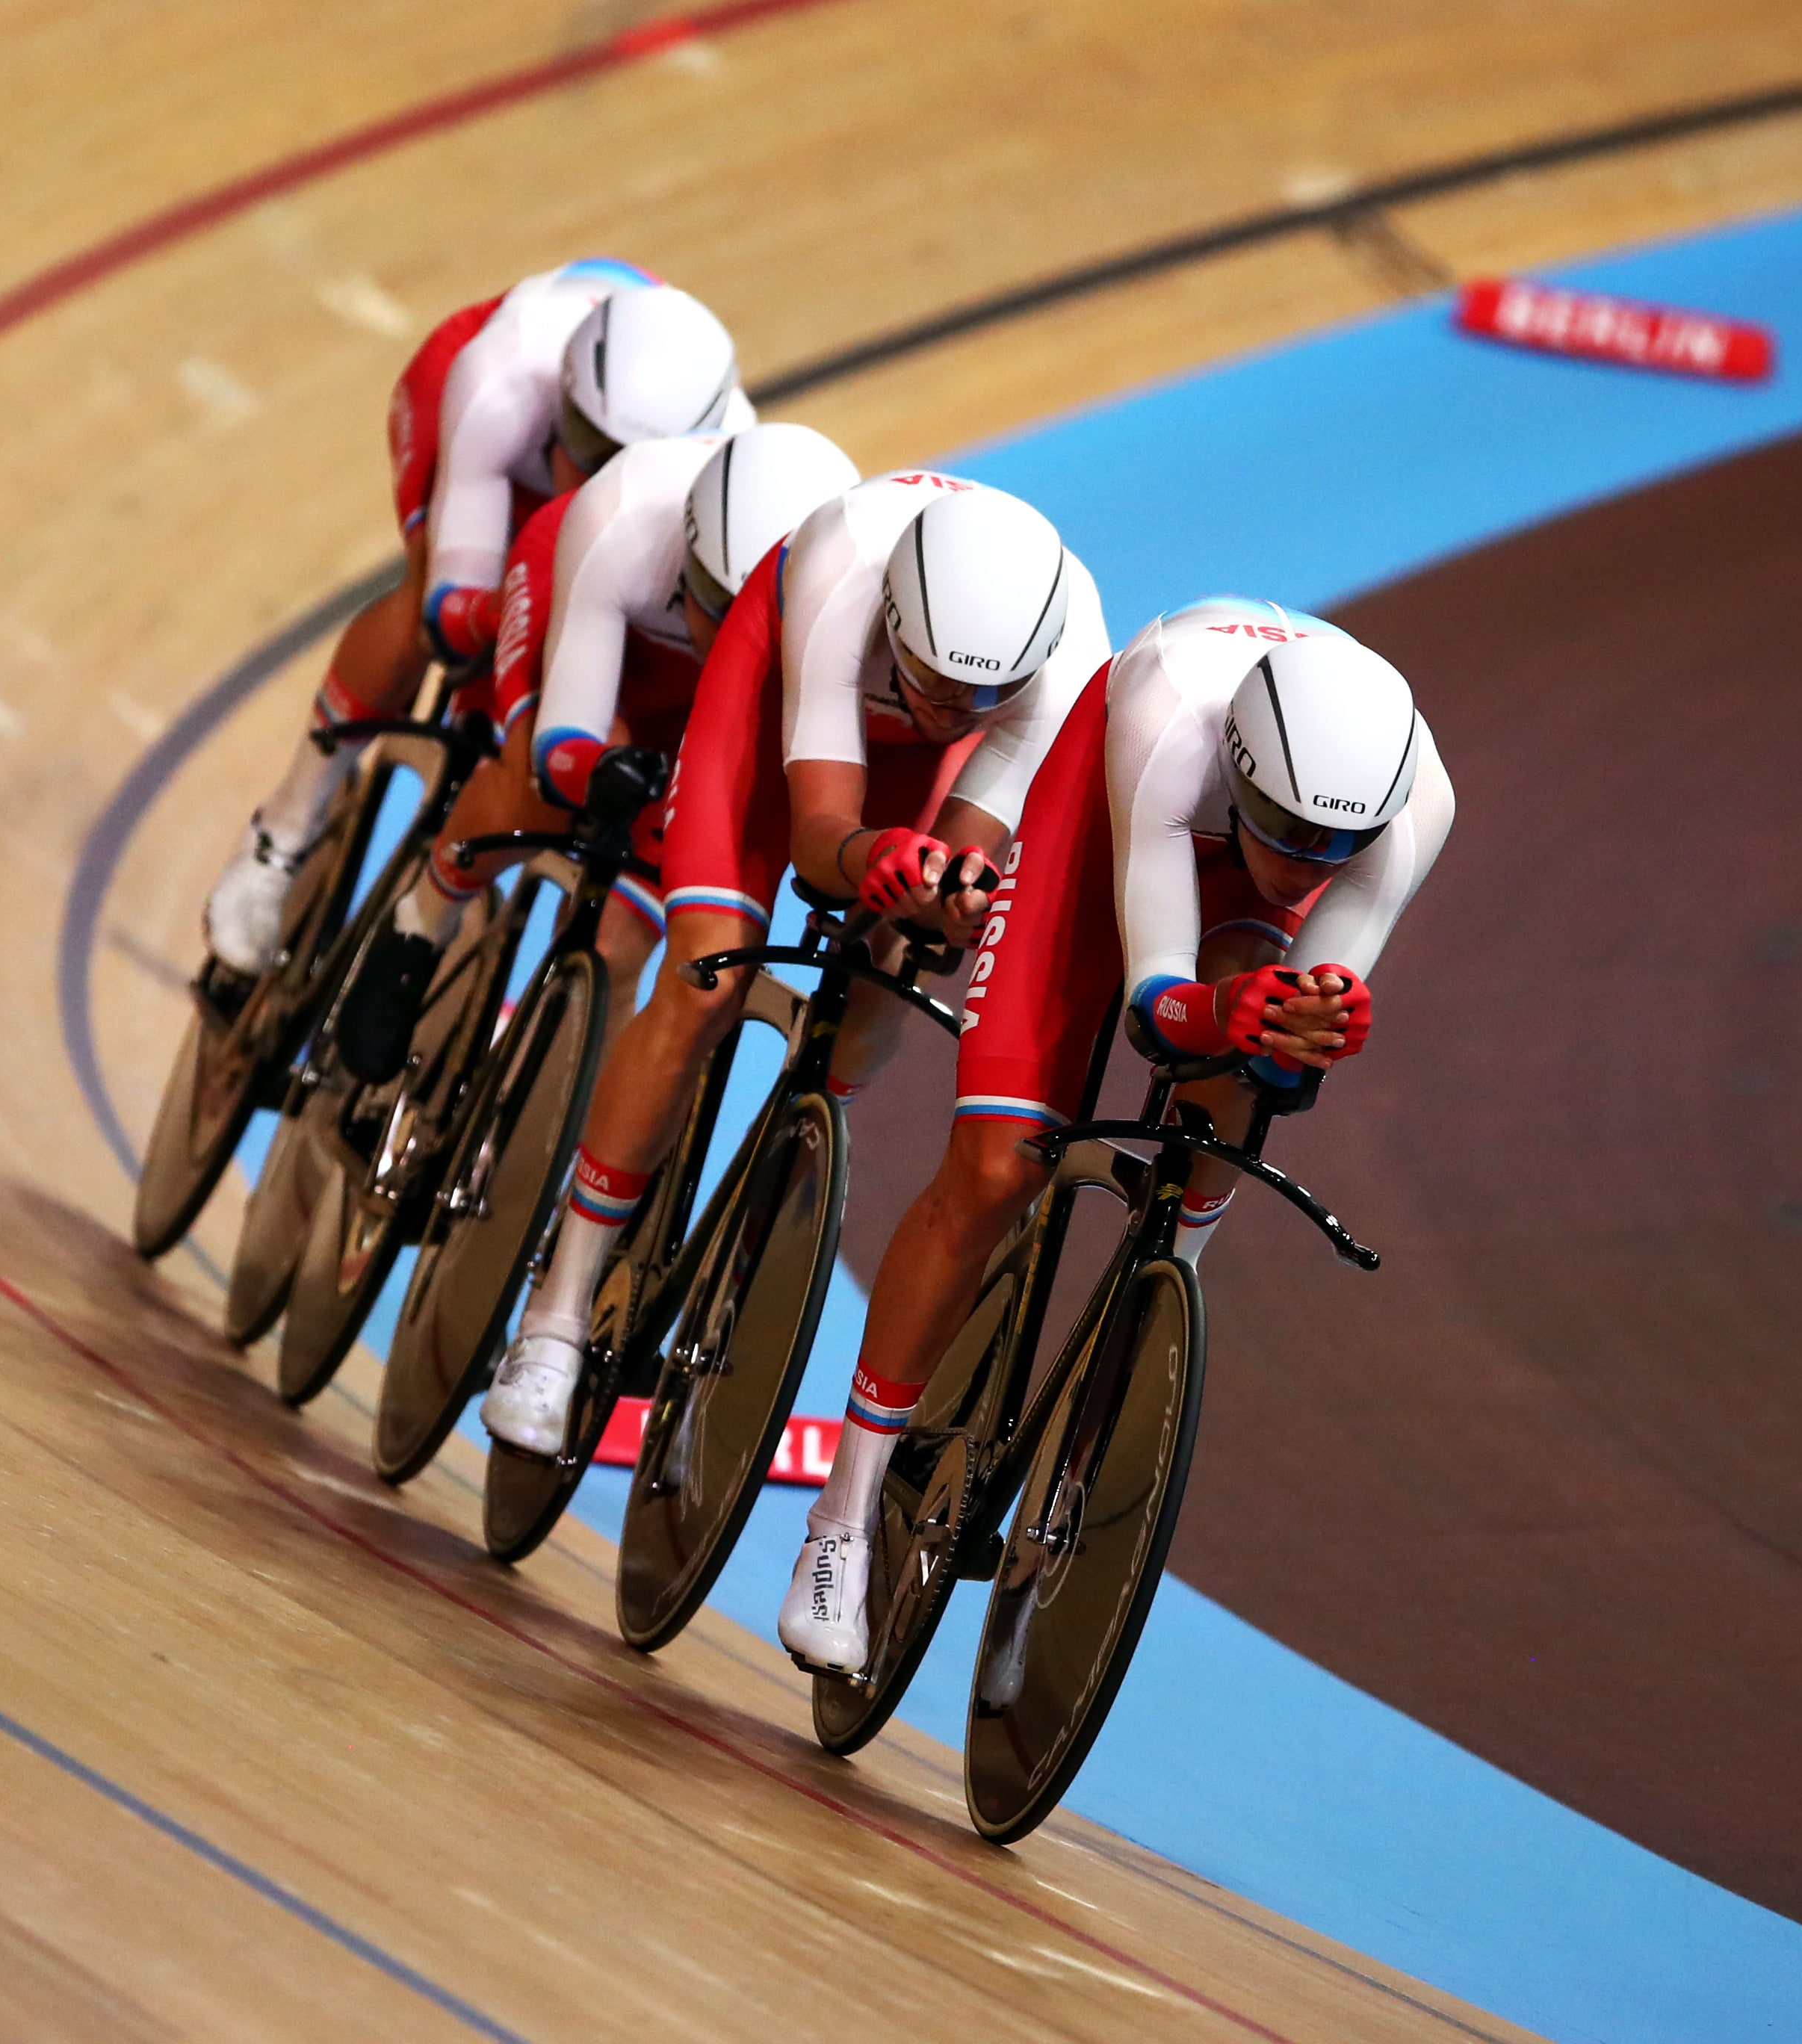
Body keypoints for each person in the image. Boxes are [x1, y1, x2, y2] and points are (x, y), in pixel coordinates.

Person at [778, 597, 1455, 1671]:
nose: (1307, 858)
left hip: (1229, 874)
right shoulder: (1169, 719)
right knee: (997, 1166)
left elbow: (1293, 1021)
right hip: (1103, 836)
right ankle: (841, 1521)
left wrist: (1301, 1030)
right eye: (1289, 830)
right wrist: (1225, 1014)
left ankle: (1159, 1287)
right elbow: (1155, 1002)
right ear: (1243, 770)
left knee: (1254, 1061)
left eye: (1337, 845)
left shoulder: (1414, 804)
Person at [480, 473, 1113, 1455]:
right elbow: (821, 837)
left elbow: (958, 850)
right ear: (895, 616)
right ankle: (554, 1320)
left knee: (902, 949)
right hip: (778, 693)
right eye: (939, 679)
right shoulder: (840, 570)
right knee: (708, 976)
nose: (957, 710)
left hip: (898, 744)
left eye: (984, 696)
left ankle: (799, 1141)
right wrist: (875, 858)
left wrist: (935, 888)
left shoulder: (1069, 663)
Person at [200, 262, 752, 988]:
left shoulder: (730, 465)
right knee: (434, 617)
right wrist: (496, 610)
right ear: (566, 398)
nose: (595, 472)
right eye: (584, 439)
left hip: (626, 518)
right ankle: (282, 830)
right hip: (484, 443)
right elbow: (453, 608)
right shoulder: (503, 378)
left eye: (620, 461)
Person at [329, 421, 864, 1080]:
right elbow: (565, 743)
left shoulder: (841, 605)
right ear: (689, 555)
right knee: (538, 793)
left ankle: (536, 1079)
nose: (732, 630)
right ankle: (421, 920)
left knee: (627, 938)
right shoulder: (624, 519)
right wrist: (597, 769)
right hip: (581, 618)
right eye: (716, 604)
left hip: (694, 701)